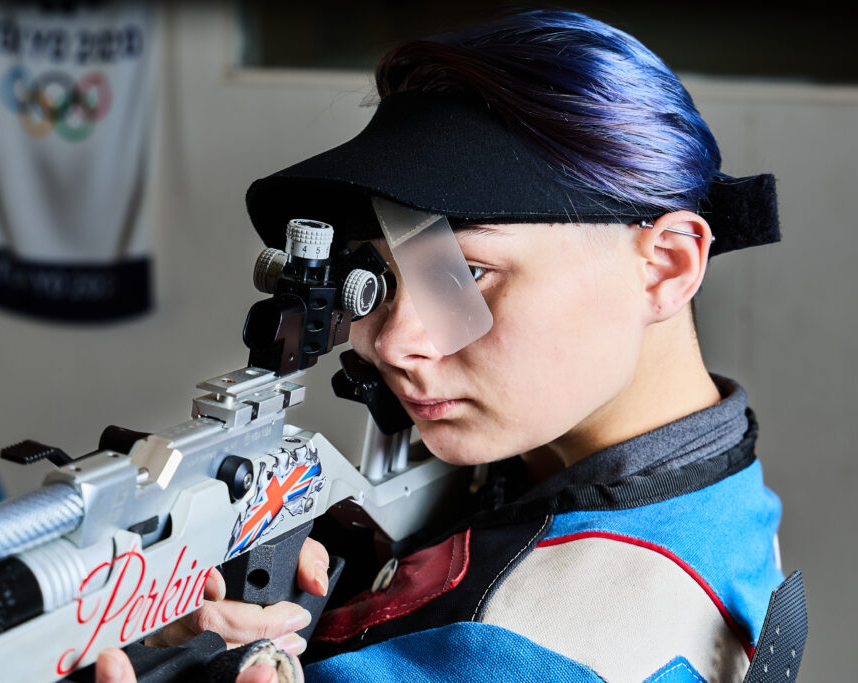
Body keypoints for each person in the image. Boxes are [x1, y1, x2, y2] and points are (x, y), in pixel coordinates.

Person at [98, 7, 793, 682]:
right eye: (378, 279)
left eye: (470, 274)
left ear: (666, 265)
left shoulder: (534, 645)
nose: (393, 345)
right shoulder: (706, 492)